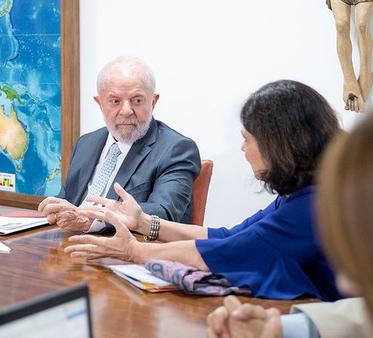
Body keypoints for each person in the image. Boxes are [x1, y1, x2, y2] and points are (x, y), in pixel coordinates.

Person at [66, 80, 341, 301]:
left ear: (279, 146)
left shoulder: (314, 206)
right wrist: (144, 223)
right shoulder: (302, 195)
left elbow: (228, 251)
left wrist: (134, 252)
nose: (242, 149)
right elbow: (230, 235)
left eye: (246, 139)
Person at [206, 107, 373, 338]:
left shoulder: (312, 202)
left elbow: (238, 249)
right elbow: (361, 314)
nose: (346, 283)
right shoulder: (296, 197)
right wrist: (279, 328)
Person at [38, 56, 200, 233]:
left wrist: (94, 220)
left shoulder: (177, 149)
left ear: (153, 102)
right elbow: (68, 203)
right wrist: (57, 210)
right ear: (100, 103)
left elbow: (164, 213)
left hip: (130, 253)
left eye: (137, 100)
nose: (126, 111)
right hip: (72, 246)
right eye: (115, 101)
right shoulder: (86, 143)